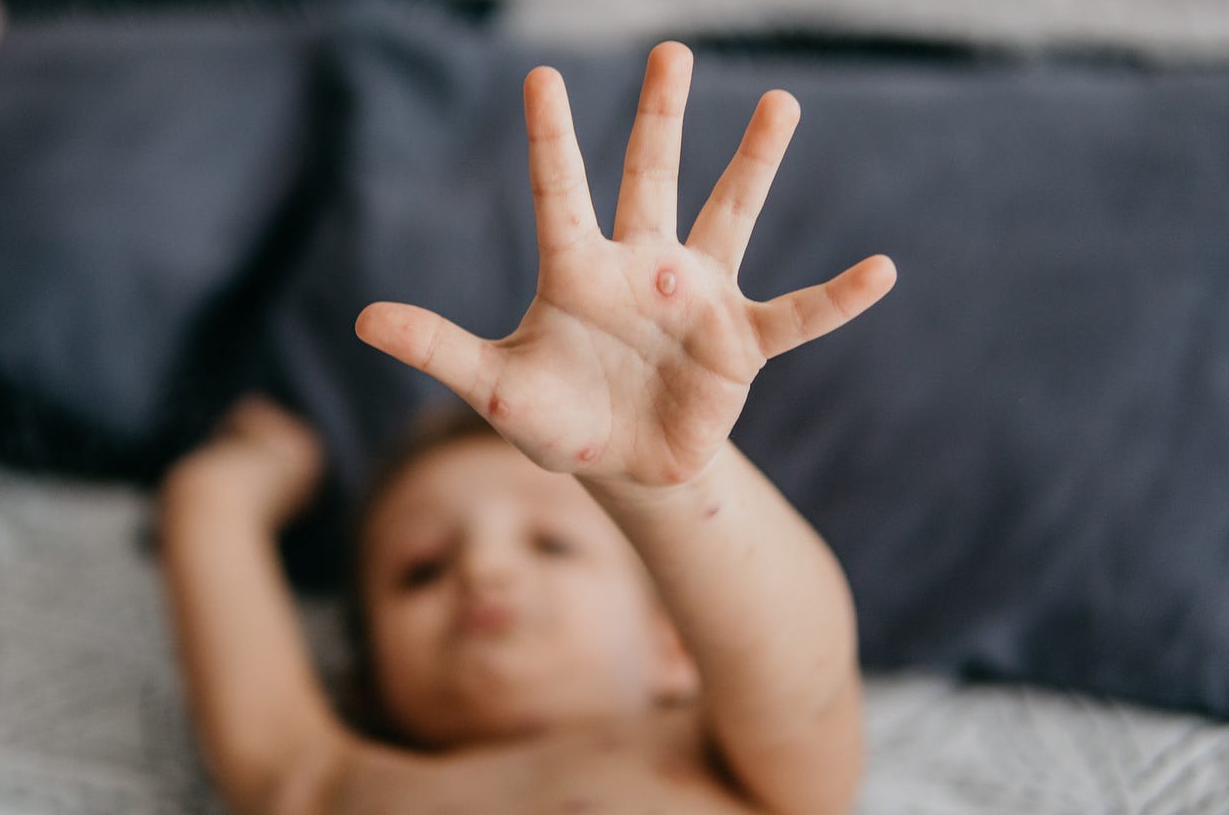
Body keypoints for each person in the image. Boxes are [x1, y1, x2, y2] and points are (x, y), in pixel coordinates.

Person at [160, 41, 898, 815]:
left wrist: (669, 486)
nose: (483, 570)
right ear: (368, 682)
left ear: (672, 648)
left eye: (553, 543)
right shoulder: (328, 781)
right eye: (419, 571)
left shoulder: (724, 760)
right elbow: (247, 685)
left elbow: (802, 675)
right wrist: (231, 483)